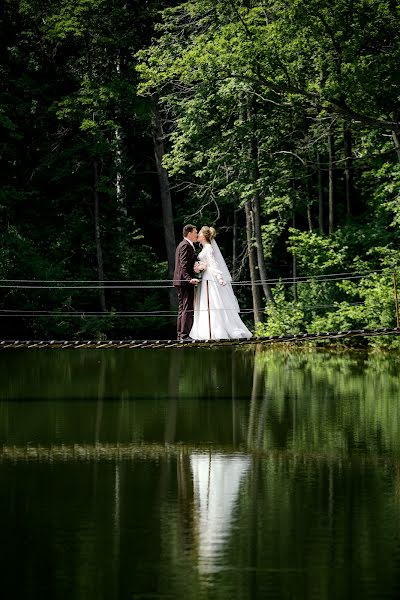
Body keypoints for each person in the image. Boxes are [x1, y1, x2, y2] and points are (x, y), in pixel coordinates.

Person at [190, 226, 252, 340]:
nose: (198, 234)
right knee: (207, 302)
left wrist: (219, 277)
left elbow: (214, 264)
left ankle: (216, 331)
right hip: (205, 277)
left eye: (199, 233)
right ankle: (208, 331)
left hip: (210, 278)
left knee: (213, 302)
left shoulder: (208, 248)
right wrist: (199, 267)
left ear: (204, 236)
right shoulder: (205, 248)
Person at [173, 224, 199, 341]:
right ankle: (183, 335)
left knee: (183, 308)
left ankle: (180, 335)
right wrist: (189, 279)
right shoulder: (185, 245)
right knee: (186, 308)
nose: (197, 234)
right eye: (195, 232)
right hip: (184, 282)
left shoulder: (186, 245)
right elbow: (183, 265)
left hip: (182, 281)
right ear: (189, 233)